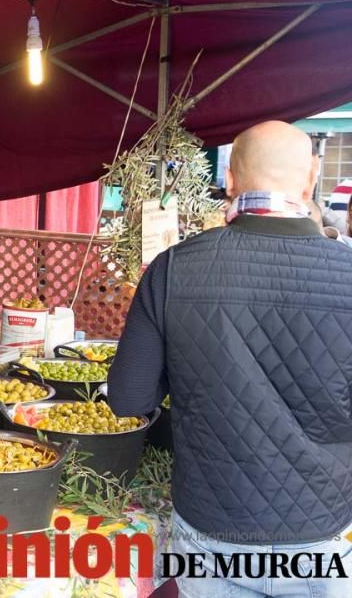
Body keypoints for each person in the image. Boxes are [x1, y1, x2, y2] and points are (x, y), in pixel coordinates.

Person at [107, 121, 352, 598]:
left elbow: (128, 399)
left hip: (210, 529)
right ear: (310, 180)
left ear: (232, 182)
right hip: (321, 532)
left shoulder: (174, 268)